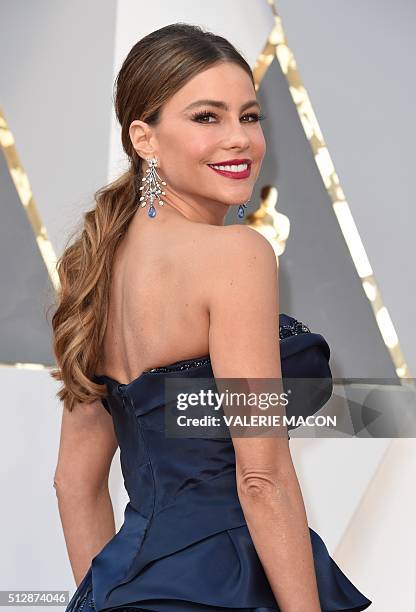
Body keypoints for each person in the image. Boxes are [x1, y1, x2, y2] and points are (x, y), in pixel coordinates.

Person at [51, 23, 372, 612]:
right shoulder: (238, 256)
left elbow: (74, 483)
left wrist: (107, 598)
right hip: (228, 582)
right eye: (206, 117)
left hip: (129, 584)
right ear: (144, 139)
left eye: (249, 117)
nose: (239, 139)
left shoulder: (91, 266)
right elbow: (261, 477)